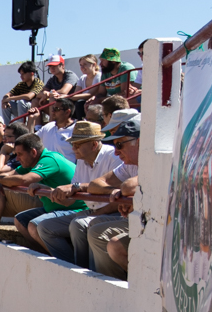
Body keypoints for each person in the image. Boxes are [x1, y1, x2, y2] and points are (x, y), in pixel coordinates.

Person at [28, 121, 123, 267]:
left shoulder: (113, 158)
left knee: (79, 224)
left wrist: (96, 214)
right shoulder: (82, 161)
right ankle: (69, 266)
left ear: (94, 145)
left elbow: (119, 199)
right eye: (73, 144)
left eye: (77, 144)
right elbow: (68, 201)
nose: (73, 148)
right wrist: (47, 191)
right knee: (44, 227)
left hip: (113, 214)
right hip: (93, 211)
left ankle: (82, 270)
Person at [84, 119, 141, 278]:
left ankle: (129, 284)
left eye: (120, 145)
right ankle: (108, 281)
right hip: (142, 220)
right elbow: (94, 185)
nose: (116, 151)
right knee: (93, 224)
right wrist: (117, 192)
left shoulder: (155, 160)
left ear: (139, 142)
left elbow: (128, 187)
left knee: (107, 239)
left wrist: (124, 193)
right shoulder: (129, 163)